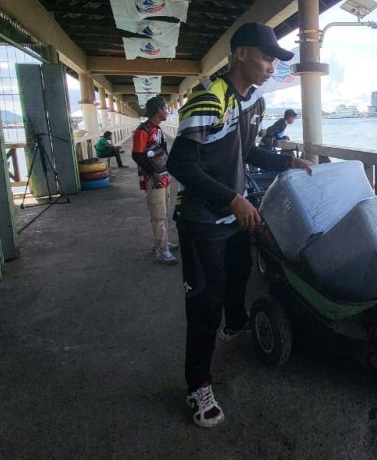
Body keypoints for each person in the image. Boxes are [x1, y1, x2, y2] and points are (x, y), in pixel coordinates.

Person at [167, 22, 313, 429]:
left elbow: (247, 151)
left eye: (274, 61)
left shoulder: (253, 103)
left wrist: (288, 161)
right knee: (203, 307)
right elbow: (181, 163)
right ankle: (197, 385)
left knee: (240, 276)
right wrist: (231, 197)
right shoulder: (207, 99)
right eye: (267, 58)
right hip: (201, 220)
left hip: (234, 216)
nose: (271, 67)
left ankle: (235, 325)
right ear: (242, 54)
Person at [131, 96, 177, 265]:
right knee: (158, 214)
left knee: (163, 212)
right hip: (154, 179)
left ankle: (161, 242)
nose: (167, 111)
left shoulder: (157, 129)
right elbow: (137, 155)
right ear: (158, 110)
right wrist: (153, 173)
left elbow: (163, 151)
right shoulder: (142, 131)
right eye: (166, 108)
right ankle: (162, 250)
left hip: (164, 176)